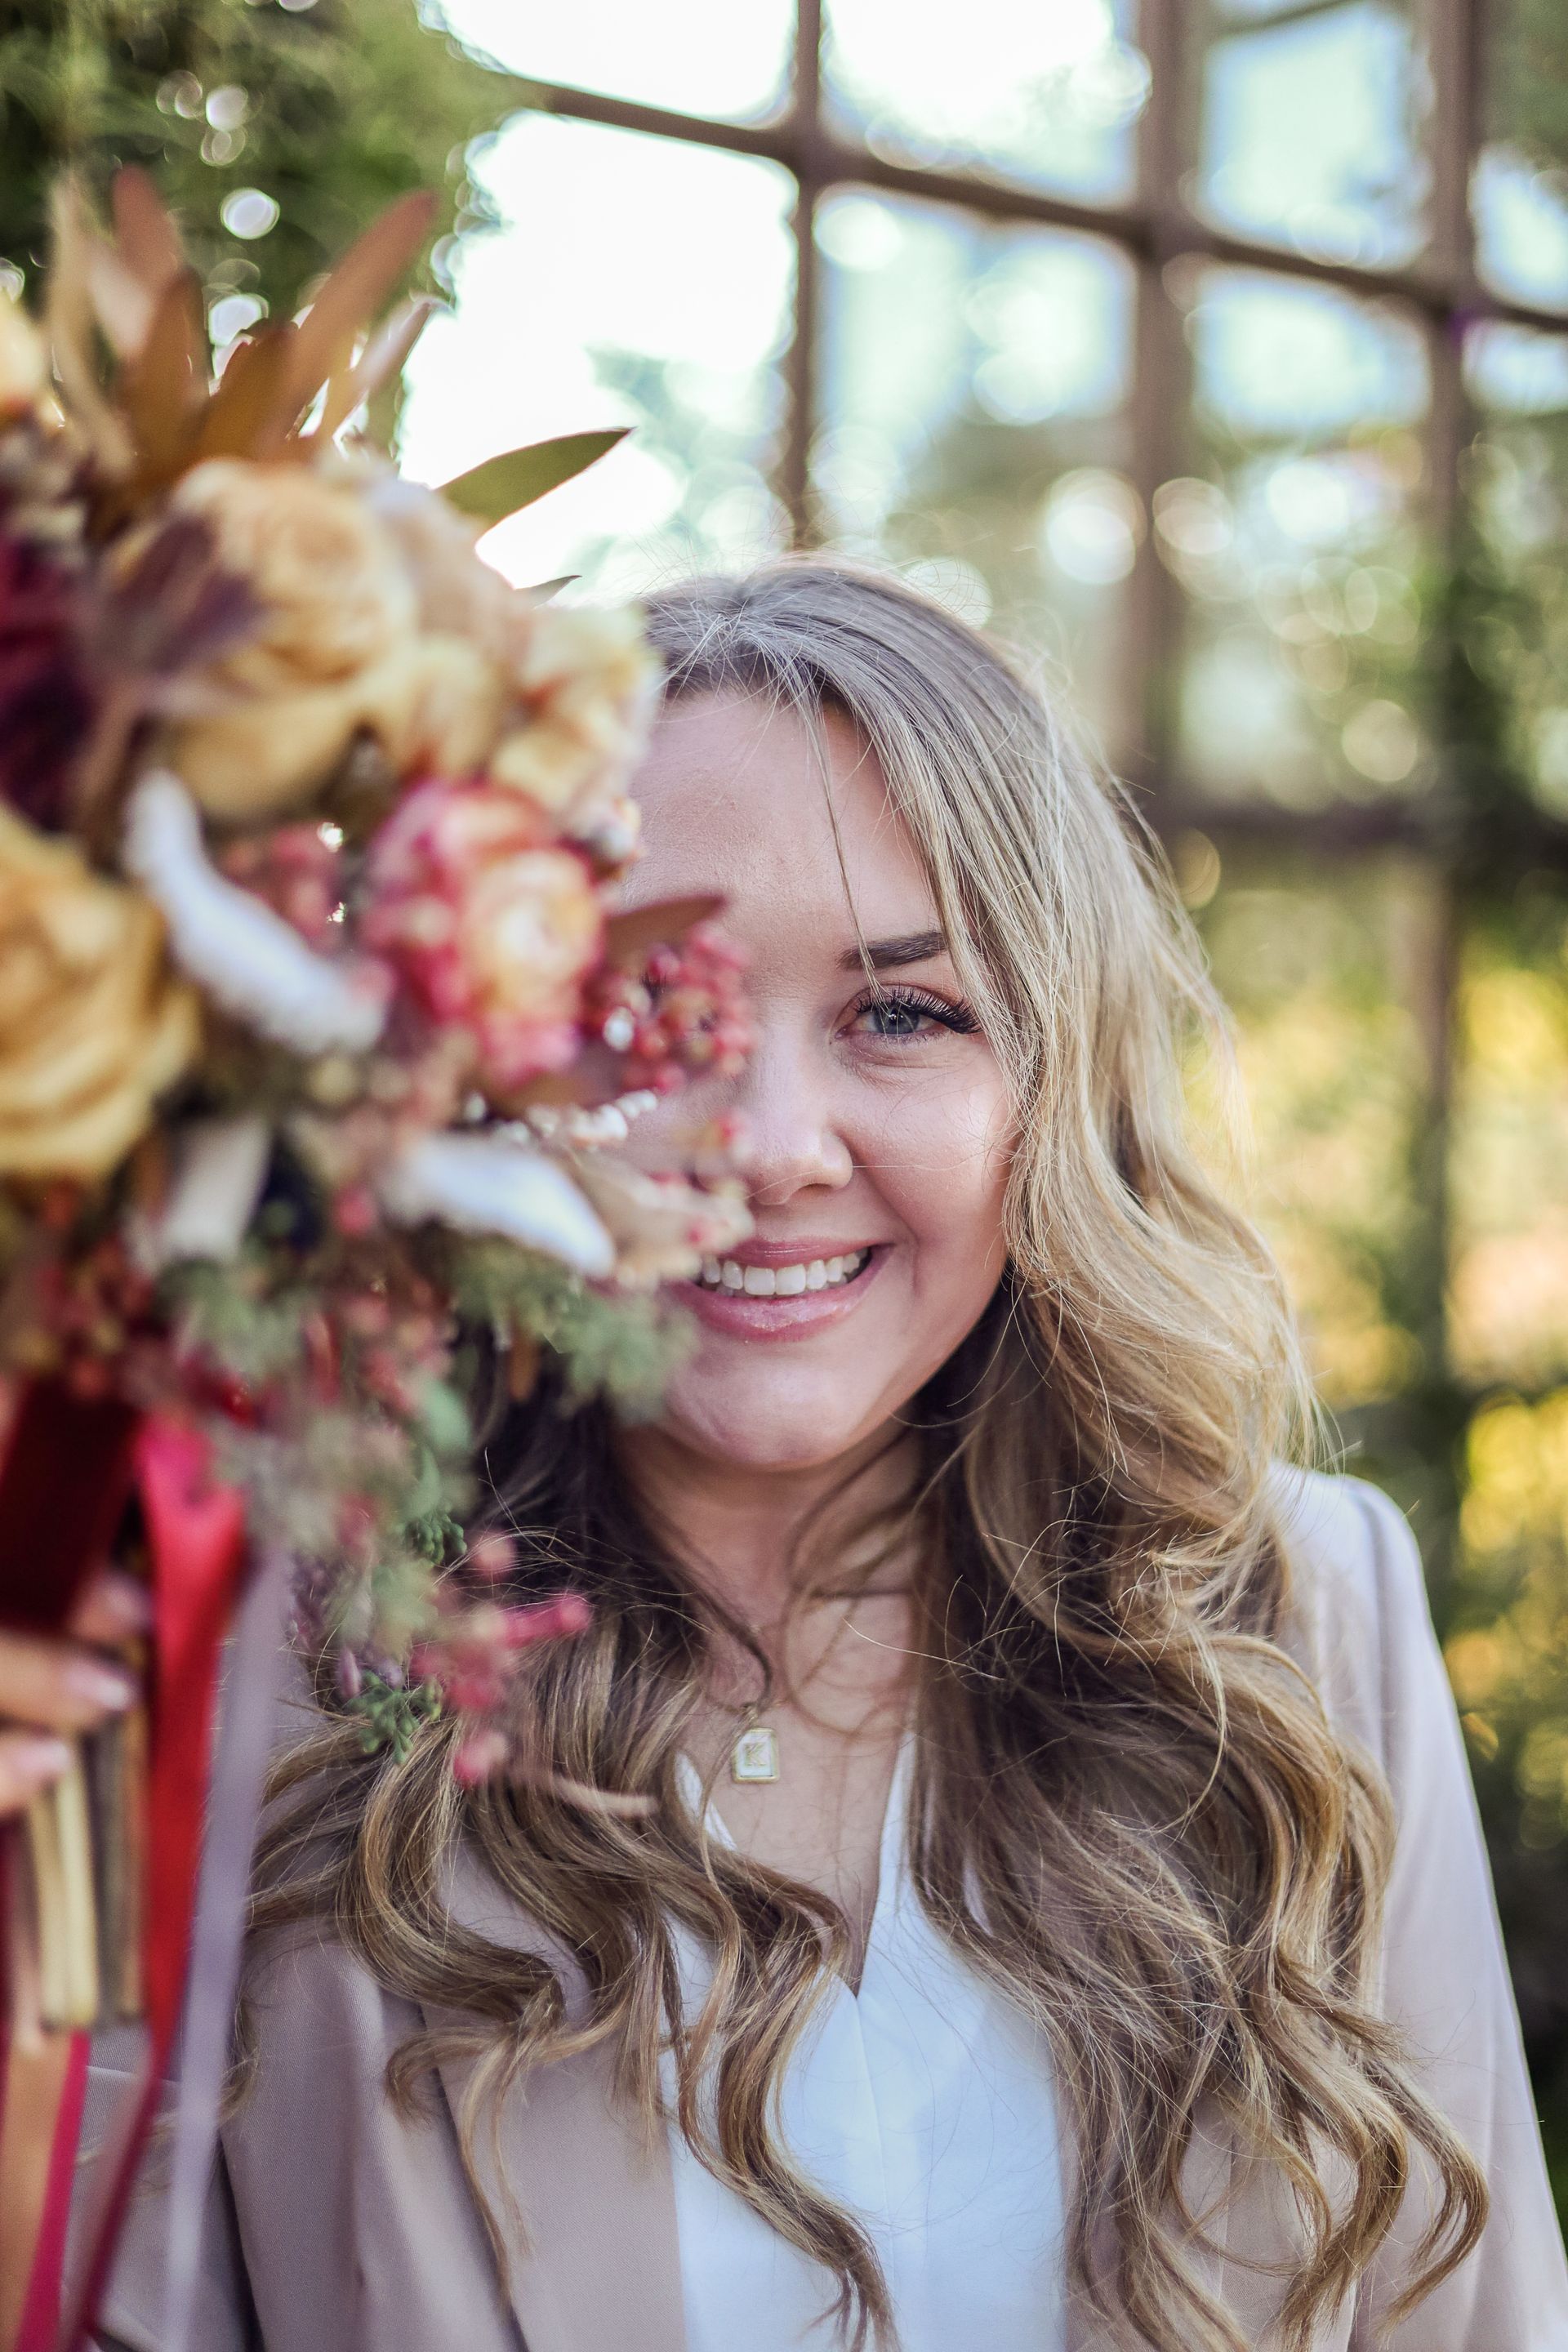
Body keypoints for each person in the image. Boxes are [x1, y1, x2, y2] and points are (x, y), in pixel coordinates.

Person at [72, 562, 1568, 2350]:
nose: (769, 1146)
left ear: (1051, 1084)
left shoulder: (1300, 1613)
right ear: (479, 1070)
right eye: (649, 1018)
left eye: (903, 1013)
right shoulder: (269, 1660)